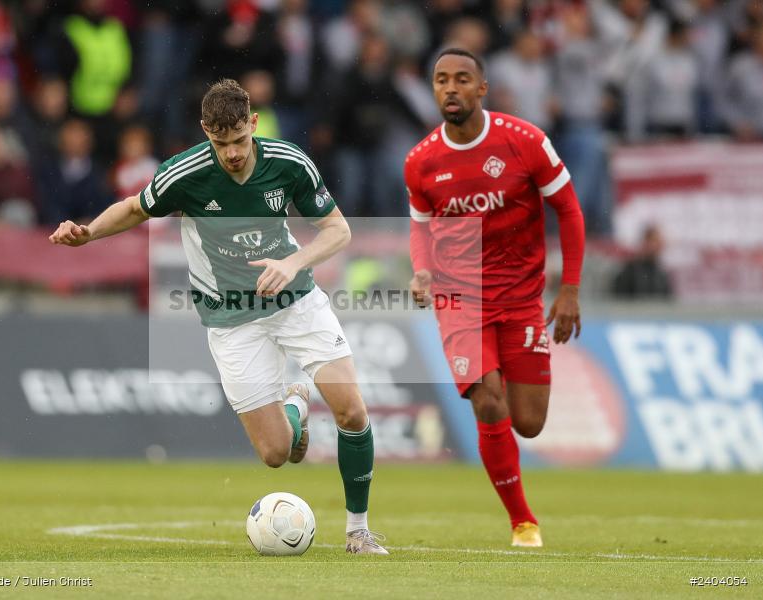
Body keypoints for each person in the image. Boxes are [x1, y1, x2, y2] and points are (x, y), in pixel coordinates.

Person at [49, 79, 388, 555]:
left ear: (253, 124)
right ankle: (295, 405)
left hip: (295, 301)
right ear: (206, 131)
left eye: (239, 141)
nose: (231, 153)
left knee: (351, 408)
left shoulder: (290, 162)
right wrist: (87, 233)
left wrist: (292, 263)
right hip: (231, 318)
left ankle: (358, 530)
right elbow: (134, 209)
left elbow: (338, 231)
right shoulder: (183, 173)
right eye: (220, 143)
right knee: (275, 454)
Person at [405, 49, 585, 548]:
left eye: (462, 79)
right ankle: (522, 522)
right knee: (486, 397)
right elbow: (420, 230)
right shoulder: (420, 162)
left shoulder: (525, 142)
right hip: (459, 298)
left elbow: (568, 211)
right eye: (441, 80)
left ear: (482, 88)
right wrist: (422, 271)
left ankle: (499, 374)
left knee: (527, 422)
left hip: (522, 297)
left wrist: (569, 288)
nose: (451, 88)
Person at [611, 224, 673, 299]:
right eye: (654, 241)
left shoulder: (661, 274)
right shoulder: (630, 271)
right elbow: (618, 301)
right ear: (645, 242)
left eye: (659, 241)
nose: (658, 245)